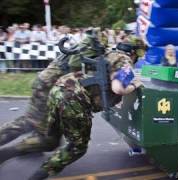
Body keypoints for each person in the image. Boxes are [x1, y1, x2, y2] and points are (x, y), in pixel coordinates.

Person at [0, 29, 104, 158]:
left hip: (48, 83)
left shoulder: (85, 44)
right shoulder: (88, 46)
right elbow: (74, 64)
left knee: (38, 125)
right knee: (34, 125)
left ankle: (29, 148)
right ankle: (13, 151)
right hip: (49, 86)